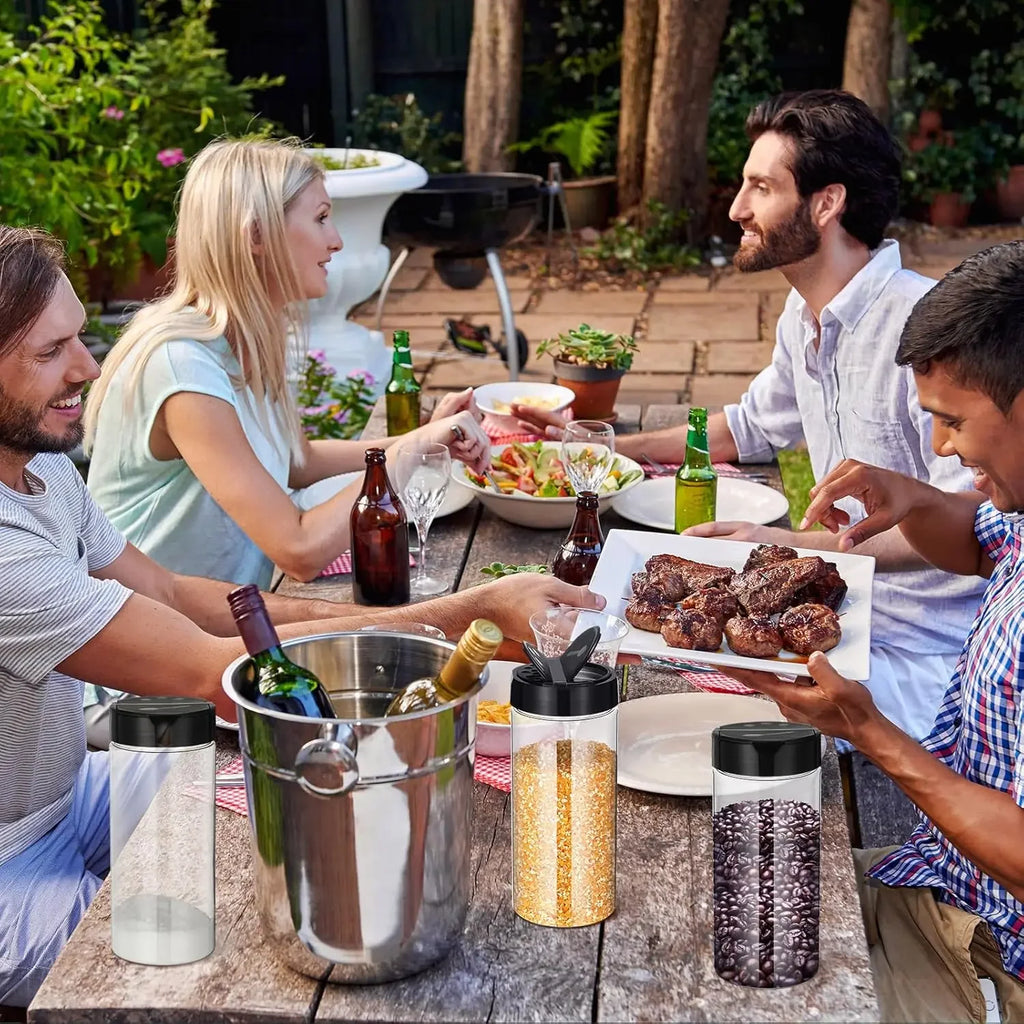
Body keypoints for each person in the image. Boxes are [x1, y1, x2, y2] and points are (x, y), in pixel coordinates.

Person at [0, 224, 603, 1007]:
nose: (87, 368)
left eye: (80, 339)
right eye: (51, 354)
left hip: (68, 792)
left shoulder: (41, 465)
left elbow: (181, 597)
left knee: (249, 821)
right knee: (199, 963)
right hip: (10, 862)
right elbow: (217, 671)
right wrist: (467, 612)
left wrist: (452, 614)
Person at [513, 89, 985, 741]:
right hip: (830, 625)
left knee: (654, 728)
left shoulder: (921, 331)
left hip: (923, 663)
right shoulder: (805, 314)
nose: (737, 209)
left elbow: (976, 526)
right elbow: (749, 426)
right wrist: (608, 447)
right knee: (607, 661)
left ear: (826, 203)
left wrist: (791, 551)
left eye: (761, 187)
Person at [724, 241, 1024, 1022]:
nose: (942, 449)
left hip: (997, 948)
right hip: (937, 874)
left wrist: (869, 730)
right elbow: (980, 536)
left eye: (953, 423)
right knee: (731, 889)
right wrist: (914, 500)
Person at [83, 136, 490, 592]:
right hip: (155, 632)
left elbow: (298, 461)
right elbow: (299, 551)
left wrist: (426, 436)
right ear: (256, 235)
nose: (336, 241)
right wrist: (404, 456)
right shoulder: (182, 365)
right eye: (320, 219)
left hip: (224, 613)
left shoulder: (248, 338)